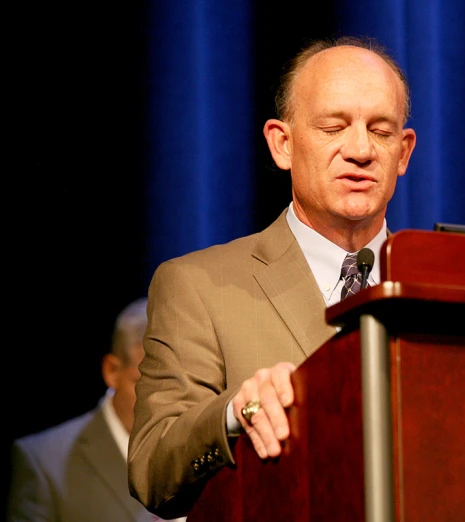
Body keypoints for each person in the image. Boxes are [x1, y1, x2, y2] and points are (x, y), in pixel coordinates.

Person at [128, 35, 417, 518]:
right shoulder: (197, 286)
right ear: (282, 144)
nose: (361, 150)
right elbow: (152, 470)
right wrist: (233, 413)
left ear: (403, 153)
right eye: (333, 127)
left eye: (382, 131)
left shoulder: (435, 286)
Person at [6, 298, 185, 522]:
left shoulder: (212, 451)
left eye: (178, 387)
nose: (167, 404)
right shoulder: (44, 462)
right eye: (148, 386)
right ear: (112, 371)